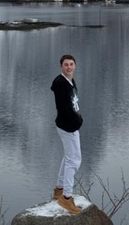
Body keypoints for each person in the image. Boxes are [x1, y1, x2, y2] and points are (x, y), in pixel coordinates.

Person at [50, 54, 83, 214]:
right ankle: (66, 198)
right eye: (66, 65)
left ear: (74, 66)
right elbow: (64, 108)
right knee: (74, 161)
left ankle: (59, 189)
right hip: (67, 127)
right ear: (61, 67)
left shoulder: (69, 80)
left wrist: (78, 119)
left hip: (70, 125)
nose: (69, 67)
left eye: (71, 64)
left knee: (69, 157)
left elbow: (73, 103)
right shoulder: (60, 84)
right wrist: (74, 123)